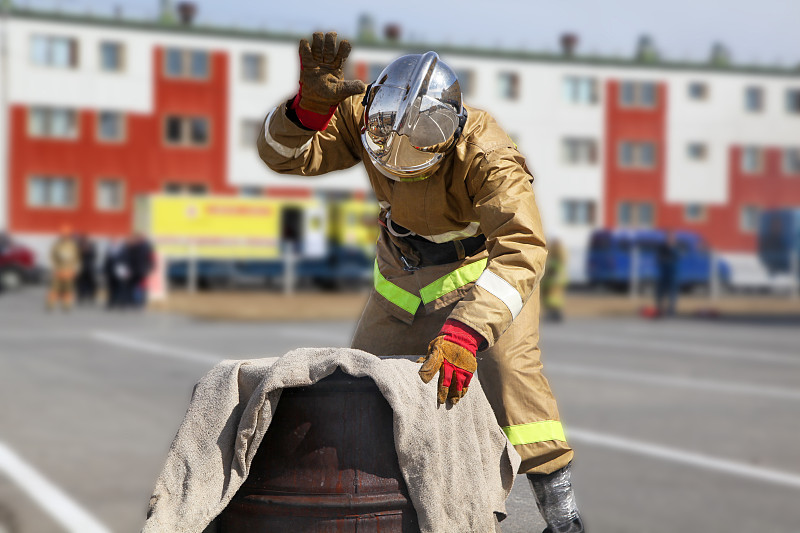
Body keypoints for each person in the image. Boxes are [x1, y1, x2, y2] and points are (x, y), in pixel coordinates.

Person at [258, 33, 584, 532]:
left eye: (416, 154)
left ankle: (563, 518)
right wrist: (306, 111)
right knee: (361, 387)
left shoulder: (490, 155)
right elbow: (285, 157)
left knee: (513, 383)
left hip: (478, 272)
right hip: (402, 275)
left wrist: (466, 332)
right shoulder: (366, 116)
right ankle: (376, 507)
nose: (397, 162)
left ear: (448, 135)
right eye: (386, 149)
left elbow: (522, 249)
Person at [48, 226, 81, 312]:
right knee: (55, 290)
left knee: (68, 290)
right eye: (63, 234)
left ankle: (66, 305)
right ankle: (51, 305)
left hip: (69, 271)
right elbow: (52, 256)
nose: (64, 236)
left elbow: (77, 257)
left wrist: (75, 268)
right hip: (58, 271)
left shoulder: (72, 245)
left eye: (66, 234)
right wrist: (54, 266)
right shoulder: (57, 244)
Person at [541, 239, 568, 322]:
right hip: (557, 281)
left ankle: (555, 314)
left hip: (552, 281)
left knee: (551, 299)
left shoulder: (554, 260)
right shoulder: (559, 258)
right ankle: (555, 314)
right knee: (555, 298)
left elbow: (551, 271)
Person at [655, 231, 680, 316]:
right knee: (660, 292)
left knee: (672, 293)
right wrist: (663, 260)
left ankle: (671, 310)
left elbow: (677, 258)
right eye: (668, 238)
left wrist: (671, 248)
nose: (670, 240)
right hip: (664, 274)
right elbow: (659, 259)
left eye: (672, 238)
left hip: (673, 274)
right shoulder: (662, 248)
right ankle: (660, 308)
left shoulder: (676, 248)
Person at [103, 237, 128, 309]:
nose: (114, 242)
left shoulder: (123, 249)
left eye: (115, 240)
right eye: (113, 240)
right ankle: (111, 303)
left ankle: (121, 303)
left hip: (120, 271)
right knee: (111, 288)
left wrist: (126, 271)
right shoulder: (109, 249)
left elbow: (126, 261)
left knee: (121, 288)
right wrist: (105, 271)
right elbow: (106, 261)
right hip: (110, 271)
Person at [75, 235, 98, 305]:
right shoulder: (78, 246)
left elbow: (94, 255)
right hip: (81, 267)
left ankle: (91, 295)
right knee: (80, 283)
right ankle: (81, 296)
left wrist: (88, 251)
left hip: (89, 267)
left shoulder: (91, 246)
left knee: (91, 283)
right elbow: (76, 256)